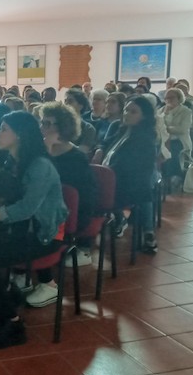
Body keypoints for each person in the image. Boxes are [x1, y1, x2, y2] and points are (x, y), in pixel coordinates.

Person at [0, 111, 67, 349]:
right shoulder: (12, 161)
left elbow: (27, 209)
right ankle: (3, 299)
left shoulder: (40, 166)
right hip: (16, 229)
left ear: (20, 135)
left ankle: (13, 323)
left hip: (43, 234)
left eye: (4, 129)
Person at [40, 102, 96, 267]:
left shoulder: (76, 157)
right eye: (42, 122)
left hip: (71, 213)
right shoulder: (44, 150)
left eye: (47, 124)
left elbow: (51, 184)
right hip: (48, 208)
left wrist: (47, 150)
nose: (42, 127)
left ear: (63, 128)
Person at [102, 96, 158, 253]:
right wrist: (100, 149)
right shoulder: (124, 130)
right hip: (112, 178)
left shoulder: (144, 140)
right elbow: (105, 143)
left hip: (126, 185)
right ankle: (118, 218)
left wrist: (106, 173)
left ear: (144, 116)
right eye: (126, 109)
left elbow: (130, 169)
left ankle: (119, 218)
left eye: (133, 111)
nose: (127, 114)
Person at [160, 87, 192, 189]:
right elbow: (157, 125)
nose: (168, 100)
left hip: (179, 141)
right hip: (163, 140)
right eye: (166, 98)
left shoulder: (186, 111)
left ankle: (173, 179)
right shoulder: (161, 110)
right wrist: (165, 114)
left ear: (179, 98)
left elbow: (182, 129)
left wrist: (165, 127)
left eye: (171, 97)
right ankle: (162, 180)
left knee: (173, 152)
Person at [64, 89, 97, 154]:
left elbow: (82, 152)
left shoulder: (88, 128)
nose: (66, 104)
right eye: (65, 101)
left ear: (80, 106)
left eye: (70, 101)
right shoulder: (57, 125)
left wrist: (63, 143)